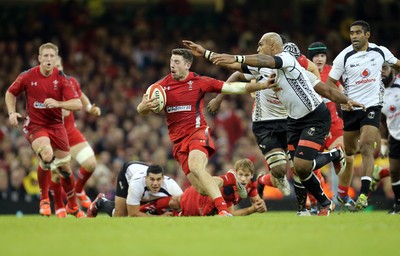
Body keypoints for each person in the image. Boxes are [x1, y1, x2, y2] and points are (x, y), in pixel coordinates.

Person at [183, 32, 364, 216]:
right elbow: (234, 66)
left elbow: (325, 89)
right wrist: (206, 53)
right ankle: (324, 203)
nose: (258, 48)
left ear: (272, 46)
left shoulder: (286, 59)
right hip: (292, 121)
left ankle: (331, 163)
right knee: (299, 169)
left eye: (261, 45)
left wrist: (346, 100)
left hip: (314, 117)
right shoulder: (264, 69)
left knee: (301, 165)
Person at [136, 48, 272, 216]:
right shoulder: (160, 87)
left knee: (196, 166)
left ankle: (223, 210)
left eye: (177, 62)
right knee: (201, 189)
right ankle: (230, 179)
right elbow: (141, 109)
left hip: (197, 133)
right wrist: (143, 107)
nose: (172, 65)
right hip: (178, 143)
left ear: (187, 65)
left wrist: (262, 85)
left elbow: (231, 88)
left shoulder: (199, 82)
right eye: (171, 61)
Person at [5, 42, 85, 218]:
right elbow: (10, 93)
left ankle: (72, 206)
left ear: (56, 58)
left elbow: (78, 104)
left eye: (52, 56)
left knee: (65, 169)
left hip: (56, 126)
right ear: (39, 58)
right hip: (35, 125)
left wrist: (58, 103)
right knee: (47, 155)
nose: (49, 59)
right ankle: (44, 200)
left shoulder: (62, 78)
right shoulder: (27, 76)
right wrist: (12, 113)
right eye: (45, 56)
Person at [327, 20, 400, 210]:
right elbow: (329, 84)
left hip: (372, 106)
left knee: (367, 146)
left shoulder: (380, 51)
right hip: (351, 110)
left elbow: (397, 65)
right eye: (351, 33)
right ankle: (343, 191)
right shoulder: (343, 57)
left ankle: (363, 194)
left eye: (358, 32)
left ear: (367, 35)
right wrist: (344, 101)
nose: (354, 36)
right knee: (350, 152)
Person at [49, 57, 101, 218]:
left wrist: (89, 107)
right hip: (53, 136)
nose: (57, 70)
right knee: (58, 174)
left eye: (59, 66)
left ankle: (78, 190)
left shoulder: (70, 82)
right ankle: (59, 207)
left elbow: (80, 95)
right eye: (53, 67)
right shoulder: (42, 88)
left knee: (90, 163)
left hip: (71, 133)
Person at [308, 41, 356, 211]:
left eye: (322, 55)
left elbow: (341, 93)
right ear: (310, 58)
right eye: (316, 56)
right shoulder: (305, 74)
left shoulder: (331, 72)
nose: (319, 59)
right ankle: (315, 201)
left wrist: (348, 105)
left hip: (334, 124)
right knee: (309, 166)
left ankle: (342, 195)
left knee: (347, 158)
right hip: (313, 126)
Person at [147, 158, 267, 216]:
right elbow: (231, 213)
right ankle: (142, 208)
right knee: (172, 202)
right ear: (236, 173)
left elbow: (257, 202)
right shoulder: (229, 190)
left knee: (171, 210)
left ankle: (147, 209)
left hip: (199, 204)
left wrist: (259, 205)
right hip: (195, 200)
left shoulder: (250, 187)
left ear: (252, 175)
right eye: (240, 175)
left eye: (246, 175)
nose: (243, 179)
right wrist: (251, 210)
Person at [86, 161, 183, 217]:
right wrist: (160, 218)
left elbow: (184, 204)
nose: (155, 183)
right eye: (152, 179)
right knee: (120, 216)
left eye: (158, 179)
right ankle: (101, 202)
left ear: (163, 179)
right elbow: (133, 213)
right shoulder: (136, 184)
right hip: (127, 173)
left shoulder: (171, 186)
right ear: (146, 178)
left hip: (140, 172)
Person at [379, 63, 400, 214]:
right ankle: (398, 205)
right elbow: (381, 120)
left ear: (392, 69)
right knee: (394, 171)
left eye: (385, 68)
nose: (382, 72)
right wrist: (383, 141)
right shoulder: (378, 93)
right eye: (379, 70)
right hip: (394, 136)